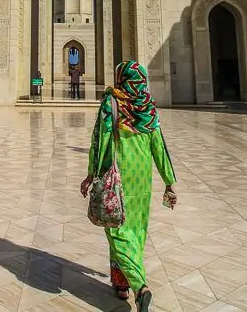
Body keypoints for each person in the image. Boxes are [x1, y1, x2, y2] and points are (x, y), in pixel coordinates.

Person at [81, 61, 176, 311]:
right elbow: (159, 145)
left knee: (117, 231)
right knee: (135, 231)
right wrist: (168, 181)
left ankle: (139, 286)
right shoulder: (147, 106)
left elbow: (99, 140)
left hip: (117, 176)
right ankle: (120, 284)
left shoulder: (113, 103)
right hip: (142, 178)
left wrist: (92, 174)